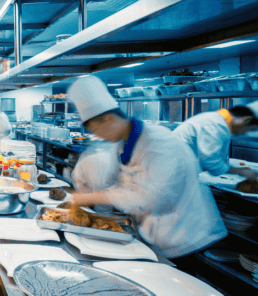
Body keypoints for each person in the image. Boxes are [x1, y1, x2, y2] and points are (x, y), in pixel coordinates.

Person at [68, 76, 226, 261]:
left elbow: (151, 198)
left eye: (96, 130)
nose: (98, 136)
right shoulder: (122, 142)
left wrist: (91, 197)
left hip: (186, 234)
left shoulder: (159, 144)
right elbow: (114, 182)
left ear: (108, 119)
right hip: (156, 231)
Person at [173, 102, 258, 185]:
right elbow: (210, 162)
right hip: (176, 171)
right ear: (247, 120)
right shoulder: (216, 125)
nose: (244, 133)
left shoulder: (218, 121)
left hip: (180, 169)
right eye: (249, 129)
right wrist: (240, 171)